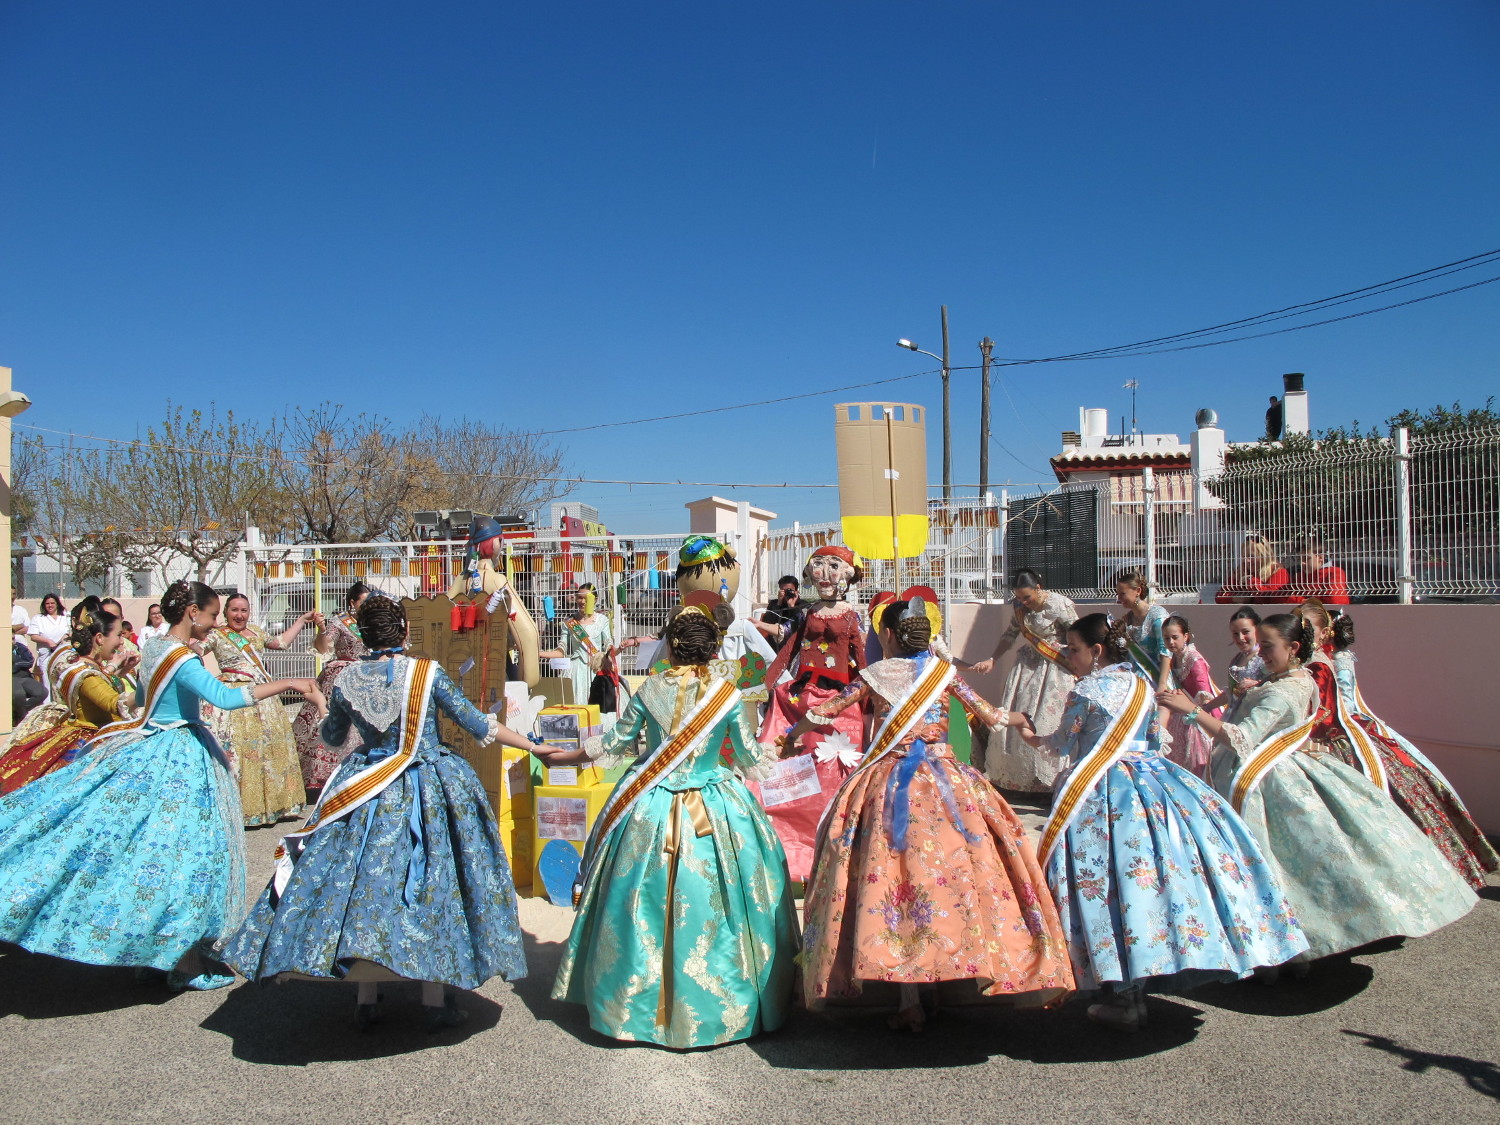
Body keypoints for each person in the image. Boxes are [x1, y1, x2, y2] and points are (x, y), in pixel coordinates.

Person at [227, 595, 530, 1031]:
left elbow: (333, 738)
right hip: (428, 782)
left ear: (363, 636)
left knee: (362, 883)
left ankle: (366, 996)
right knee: (433, 880)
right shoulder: (425, 672)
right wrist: (535, 746)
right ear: (404, 631)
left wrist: (322, 705)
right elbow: (477, 723)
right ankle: (434, 997)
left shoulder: (347, 678)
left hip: (366, 786)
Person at [0, 580, 320, 990]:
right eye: (212, 615)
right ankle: (182, 959)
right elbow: (224, 697)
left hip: (153, 747)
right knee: (190, 856)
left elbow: (140, 696)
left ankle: (154, 950)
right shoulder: (181, 657)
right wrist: (291, 684)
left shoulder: (154, 648)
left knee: (155, 853)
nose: (215, 623)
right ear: (192, 612)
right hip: (180, 755)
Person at [1010, 613, 1307, 1033]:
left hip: (1103, 791)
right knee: (1158, 881)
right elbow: (1155, 738)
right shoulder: (1141, 683)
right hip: (1156, 787)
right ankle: (1160, 970)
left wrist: (1026, 732)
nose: (1068, 657)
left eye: (1074, 649)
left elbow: (1060, 745)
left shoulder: (1088, 690)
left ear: (1096, 652)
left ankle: (1120, 993)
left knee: (1105, 885)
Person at [792, 598, 1075, 1032]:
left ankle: (907, 997)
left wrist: (790, 735)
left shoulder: (873, 675)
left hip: (888, 784)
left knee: (892, 877)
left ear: (888, 635)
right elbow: (992, 716)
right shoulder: (944, 673)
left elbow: (821, 712)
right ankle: (961, 970)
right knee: (958, 875)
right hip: (949, 785)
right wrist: (1023, 718)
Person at [1157, 614, 1475, 967]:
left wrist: (1191, 712)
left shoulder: (1285, 689)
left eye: (1268, 646)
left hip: (1269, 780)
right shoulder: (1289, 677)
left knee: (1276, 865)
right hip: (1274, 770)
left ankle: (1282, 946)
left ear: (1293, 647)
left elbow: (1242, 738)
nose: (1261, 653)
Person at [544, 608, 799, 1049]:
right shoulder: (726, 694)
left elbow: (615, 743)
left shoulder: (650, 689)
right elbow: (748, 756)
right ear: (713, 649)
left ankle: (634, 1005)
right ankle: (730, 1004)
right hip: (716, 806)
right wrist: (784, 747)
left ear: (671, 648)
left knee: (639, 899)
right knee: (729, 899)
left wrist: (560, 756)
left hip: (651, 806)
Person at [1313, 604, 1498, 890]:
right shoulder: (1301, 660)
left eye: (1307, 626)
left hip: (1341, 734)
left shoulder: (1336, 660)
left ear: (1324, 632)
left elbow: (1346, 702)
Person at [755, 545, 869, 882]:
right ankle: (789, 845)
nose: (824, 574)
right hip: (802, 695)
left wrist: (870, 698)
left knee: (830, 773)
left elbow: (861, 658)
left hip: (837, 700)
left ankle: (831, 845)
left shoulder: (851, 616)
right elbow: (788, 651)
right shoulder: (807, 614)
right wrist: (765, 685)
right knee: (793, 768)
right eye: (818, 566)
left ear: (847, 575)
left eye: (833, 566)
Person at [201, 593, 318, 827]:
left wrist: (301, 621)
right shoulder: (217, 634)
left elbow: (281, 643)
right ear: (225, 612)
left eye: (243, 610)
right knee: (243, 752)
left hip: (264, 697)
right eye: (234, 610)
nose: (239, 615)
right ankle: (241, 808)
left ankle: (274, 806)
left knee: (270, 750)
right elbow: (195, 650)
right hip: (235, 699)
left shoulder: (256, 632)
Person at [0, 602, 134, 794]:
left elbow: (103, 686)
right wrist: (151, 688)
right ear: (99, 638)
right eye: (118, 635)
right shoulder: (86, 674)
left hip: (97, 731)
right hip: (93, 739)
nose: (121, 642)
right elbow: (112, 703)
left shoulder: (88, 667)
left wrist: (121, 670)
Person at [967, 569, 1078, 793]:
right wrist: (993, 659)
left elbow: (1077, 635)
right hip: (1027, 666)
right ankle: (1020, 779)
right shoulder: (1019, 607)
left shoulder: (1059, 604)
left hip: (1056, 668)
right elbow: (1010, 634)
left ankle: (1051, 779)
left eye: (1026, 597)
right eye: (1018, 597)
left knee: (1047, 719)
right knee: (1020, 714)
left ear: (1038, 588)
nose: (1022, 602)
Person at [291, 581, 372, 795]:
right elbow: (324, 647)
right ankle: (324, 777)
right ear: (352, 603)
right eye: (363, 602)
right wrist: (321, 630)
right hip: (340, 677)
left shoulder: (373, 621)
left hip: (367, 677)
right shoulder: (340, 622)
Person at [1159, 615, 1220, 779]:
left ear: (1185, 636)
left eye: (1175, 637)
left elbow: (1205, 693)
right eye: (1166, 638)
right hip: (1182, 713)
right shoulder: (1175, 657)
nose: (1171, 642)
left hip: (1197, 713)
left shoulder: (1194, 659)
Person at [539, 584, 614, 708]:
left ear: (595, 599)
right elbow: (561, 651)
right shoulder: (569, 622)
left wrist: (614, 653)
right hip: (575, 672)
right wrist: (539, 653)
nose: (582, 601)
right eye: (579, 597)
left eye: (586, 598)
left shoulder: (602, 620)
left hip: (596, 669)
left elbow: (608, 645)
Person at [1115, 569, 1169, 676]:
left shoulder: (1157, 616)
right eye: (1117, 594)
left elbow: (1166, 652)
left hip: (1155, 676)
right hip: (1132, 675)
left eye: (1122, 594)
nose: (1119, 598)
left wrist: (1162, 683)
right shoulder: (1128, 619)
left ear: (1138, 591)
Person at [1215, 535, 1290, 604]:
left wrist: (1251, 581)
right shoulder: (1240, 571)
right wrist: (1234, 598)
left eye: (1251, 556)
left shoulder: (1277, 571)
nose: (1247, 560)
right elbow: (1219, 596)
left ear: (1264, 556)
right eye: (1244, 556)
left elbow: (1271, 598)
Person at [1283, 536, 1350, 605]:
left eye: (1306, 558)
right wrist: (1305, 601)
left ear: (1320, 558)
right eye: (1299, 559)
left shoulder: (1334, 573)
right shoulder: (1299, 577)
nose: (1302, 563)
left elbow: (1335, 600)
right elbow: (1284, 597)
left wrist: (1303, 601)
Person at [756, 574, 805, 644]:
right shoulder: (774, 604)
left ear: (796, 591)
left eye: (789, 590)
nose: (787, 593)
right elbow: (767, 622)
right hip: (776, 642)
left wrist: (792, 607)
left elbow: (801, 624)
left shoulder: (803, 604)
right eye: (784, 591)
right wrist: (778, 604)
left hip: (795, 642)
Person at [12, 637, 46, 724]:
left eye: (13, 638)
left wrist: (15, 664)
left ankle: (20, 713)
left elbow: (29, 661)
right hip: (11, 678)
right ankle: (21, 717)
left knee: (42, 692)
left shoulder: (20, 647)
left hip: (25, 676)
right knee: (18, 695)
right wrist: (19, 664)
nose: (12, 641)